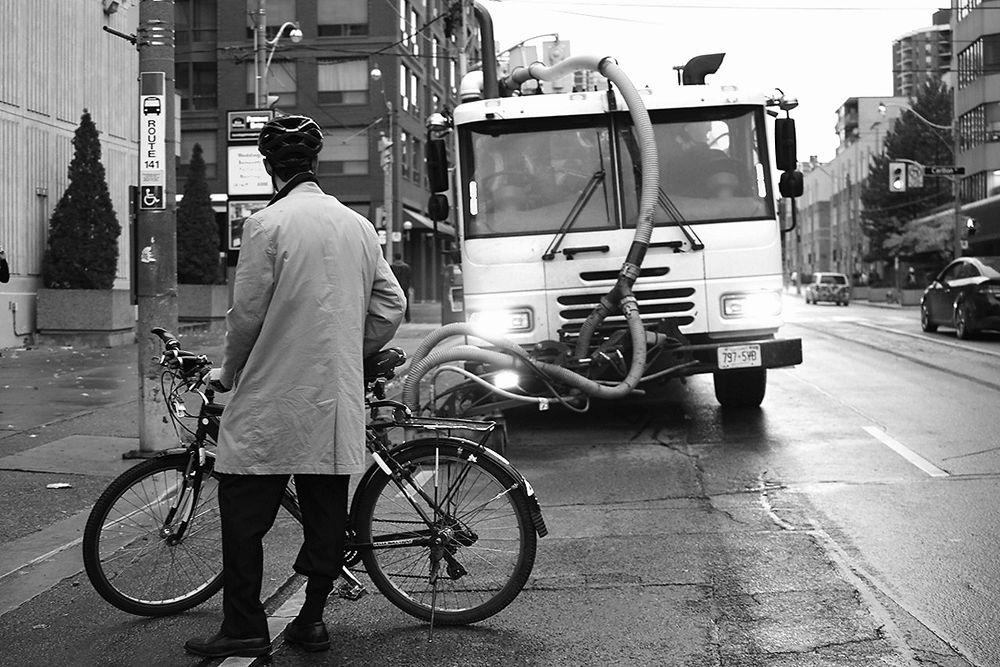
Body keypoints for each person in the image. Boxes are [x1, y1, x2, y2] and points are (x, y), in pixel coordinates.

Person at [184, 115, 406, 659]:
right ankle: (311, 620)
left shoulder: (266, 225)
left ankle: (244, 625)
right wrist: (344, 354)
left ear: (268, 166)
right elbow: (392, 305)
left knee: (243, 514)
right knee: (326, 512)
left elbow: (246, 318)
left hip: (272, 397)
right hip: (332, 400)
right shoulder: (357, 225)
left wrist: (227, 374)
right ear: (315, 164)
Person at [390, 253, 412, 322]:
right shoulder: (406, 267)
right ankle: (408, 318)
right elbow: (409, 277)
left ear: (394, 258)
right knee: (406, 303)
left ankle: (394, 318)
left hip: (395, 288)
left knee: (394, 303)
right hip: (405, 287)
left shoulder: (392, 267)